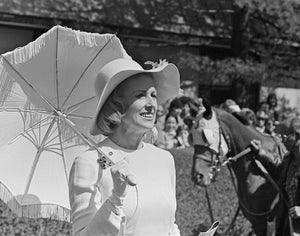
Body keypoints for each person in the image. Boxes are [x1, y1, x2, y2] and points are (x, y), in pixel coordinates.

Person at [68, 58, 182, 236]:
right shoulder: (90, 161)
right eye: (140, 95)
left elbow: (170, 226)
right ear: (116, 107)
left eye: (153, 95)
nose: (151, 104)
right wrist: (116, 197)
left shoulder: (165, 159)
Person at [250, 132, 300, 235]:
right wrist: (260, 152)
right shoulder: (290, 158)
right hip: (287, 221)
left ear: (298, 136)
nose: (281, 137)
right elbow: (278, 169)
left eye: (287, 134)